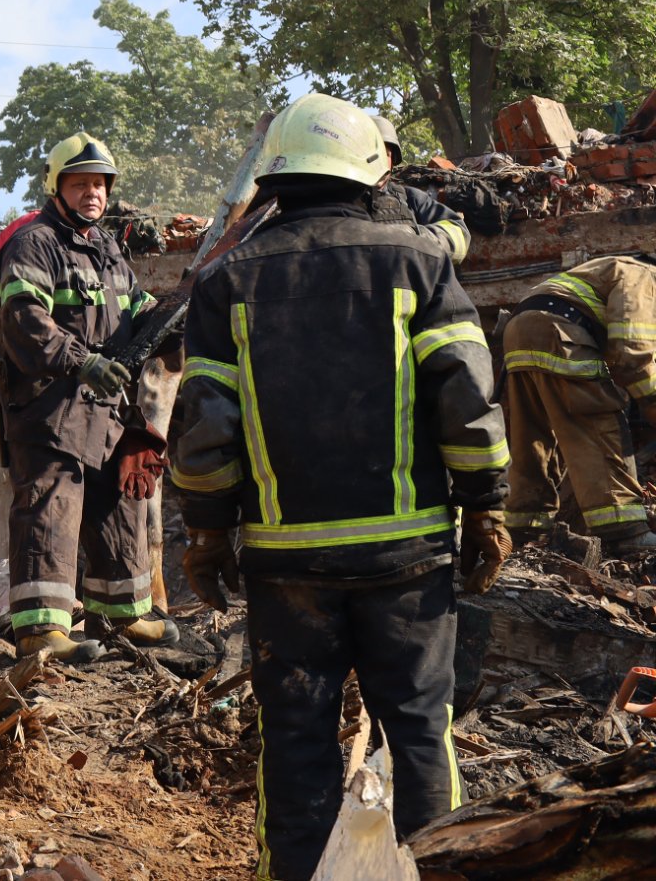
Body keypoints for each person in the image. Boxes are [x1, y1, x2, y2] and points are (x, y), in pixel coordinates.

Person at [171, 92, 509, 881]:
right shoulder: (419, 260)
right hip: (409, 555)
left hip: (287, 565)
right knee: (422, 733)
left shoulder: (227, 281)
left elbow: (203, 427)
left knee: (294, 742)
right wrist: (486, 504)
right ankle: (440, 871)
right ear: (370, 171)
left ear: (277, 178)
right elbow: (465, 394)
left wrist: (206, 529)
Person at [0, 133, 172, 662]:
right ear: (58, 187)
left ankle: (124, 616)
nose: (93, 192)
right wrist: (83, 360)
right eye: (80, 183)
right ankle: (42, 631)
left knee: (117, 510)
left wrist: (173, 320)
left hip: (103, 411)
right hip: (49, 407)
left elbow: (137, 308)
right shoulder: (35, 242)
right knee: (51, 512)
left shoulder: (109, 248)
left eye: (100, 183)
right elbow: (23, 320)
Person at [499, 256, 656, 552]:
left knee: (534, 440)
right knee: (597, 425)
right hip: (561, 331)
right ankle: (624, 532)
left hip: (519, 331)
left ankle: (522, 531)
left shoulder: (606, 268)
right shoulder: (644, 275)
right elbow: (631, 350)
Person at [368, 112, 470, 260]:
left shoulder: (410, 198)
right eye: (372, 154)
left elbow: (459, 234)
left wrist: (410, 238)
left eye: (386, 154)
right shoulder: (342, 200)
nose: (379, 161)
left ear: (394, 159)